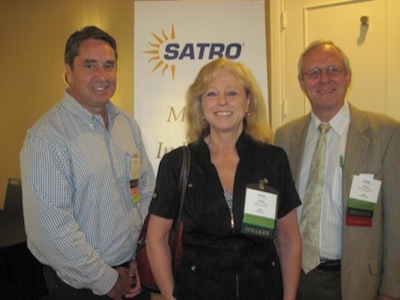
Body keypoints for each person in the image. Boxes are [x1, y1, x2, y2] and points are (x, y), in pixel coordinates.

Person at [146, 58, 302, 300]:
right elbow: (155, 239)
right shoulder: (177, 164)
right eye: (211, 94)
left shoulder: (273, 160)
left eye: (232, 93)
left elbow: (289, 239)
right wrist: (171, 297)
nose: (222, 102)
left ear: (248, 102)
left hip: (263, 291)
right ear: (200, 105)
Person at [20, 26, 155, 300]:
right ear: (68, 71)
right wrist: (106, 279)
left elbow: (146, 189)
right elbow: (52, 231)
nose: (102, 76)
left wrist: (140, 258)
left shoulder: (126, 124)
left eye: (109, 66)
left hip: (131, 275)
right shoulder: (47, 138)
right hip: (80, 288)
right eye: (90, 66)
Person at [274, 39, 400, 300]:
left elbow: (396, 219)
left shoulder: (385, 133)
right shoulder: (285, 136)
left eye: (333, 69)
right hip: (294, 277)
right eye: (314, 73)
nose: (324, 79)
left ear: (348, 76)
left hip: (356, 281)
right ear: (301, 82)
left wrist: (391, 290)